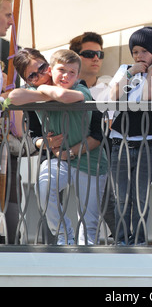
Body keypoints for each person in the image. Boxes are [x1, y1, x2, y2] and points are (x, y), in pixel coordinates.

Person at [11, 49, 108, 245]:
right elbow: (13, 98)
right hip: (57, 159)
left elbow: (64, 96)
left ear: (49, 66)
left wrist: (42, 93)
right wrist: (45, 143)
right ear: (27, 80)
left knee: (89, 222)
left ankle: (85, 261)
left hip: (90, 159)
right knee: (45, 186)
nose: (40, 75)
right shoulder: (33, 91)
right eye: (33, 75)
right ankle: (64, 237)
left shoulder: (78, 86)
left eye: (42, 68)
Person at [109, 27, 152, 245]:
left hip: (144, 144)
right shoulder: (125, 69)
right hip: (119, 143)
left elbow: (148, 101)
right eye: (135, 51)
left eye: (144, 51)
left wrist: (150, 74)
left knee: (141, 198)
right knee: (121, 198)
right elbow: (112, 96)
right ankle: (122, 240)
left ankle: (140, 241)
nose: (139, 56)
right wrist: (131, 73)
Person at [69, 32, 115, 240]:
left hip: (99, 155)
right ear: (75, 56)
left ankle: (123, 241)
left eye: (99, 54)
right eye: (89, 54)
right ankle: (51, 248)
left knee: (106, 204)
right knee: (51, 195)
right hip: (66, 155)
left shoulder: (109, 87)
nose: (96, 58)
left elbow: (109, 126)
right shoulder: (61, 87)